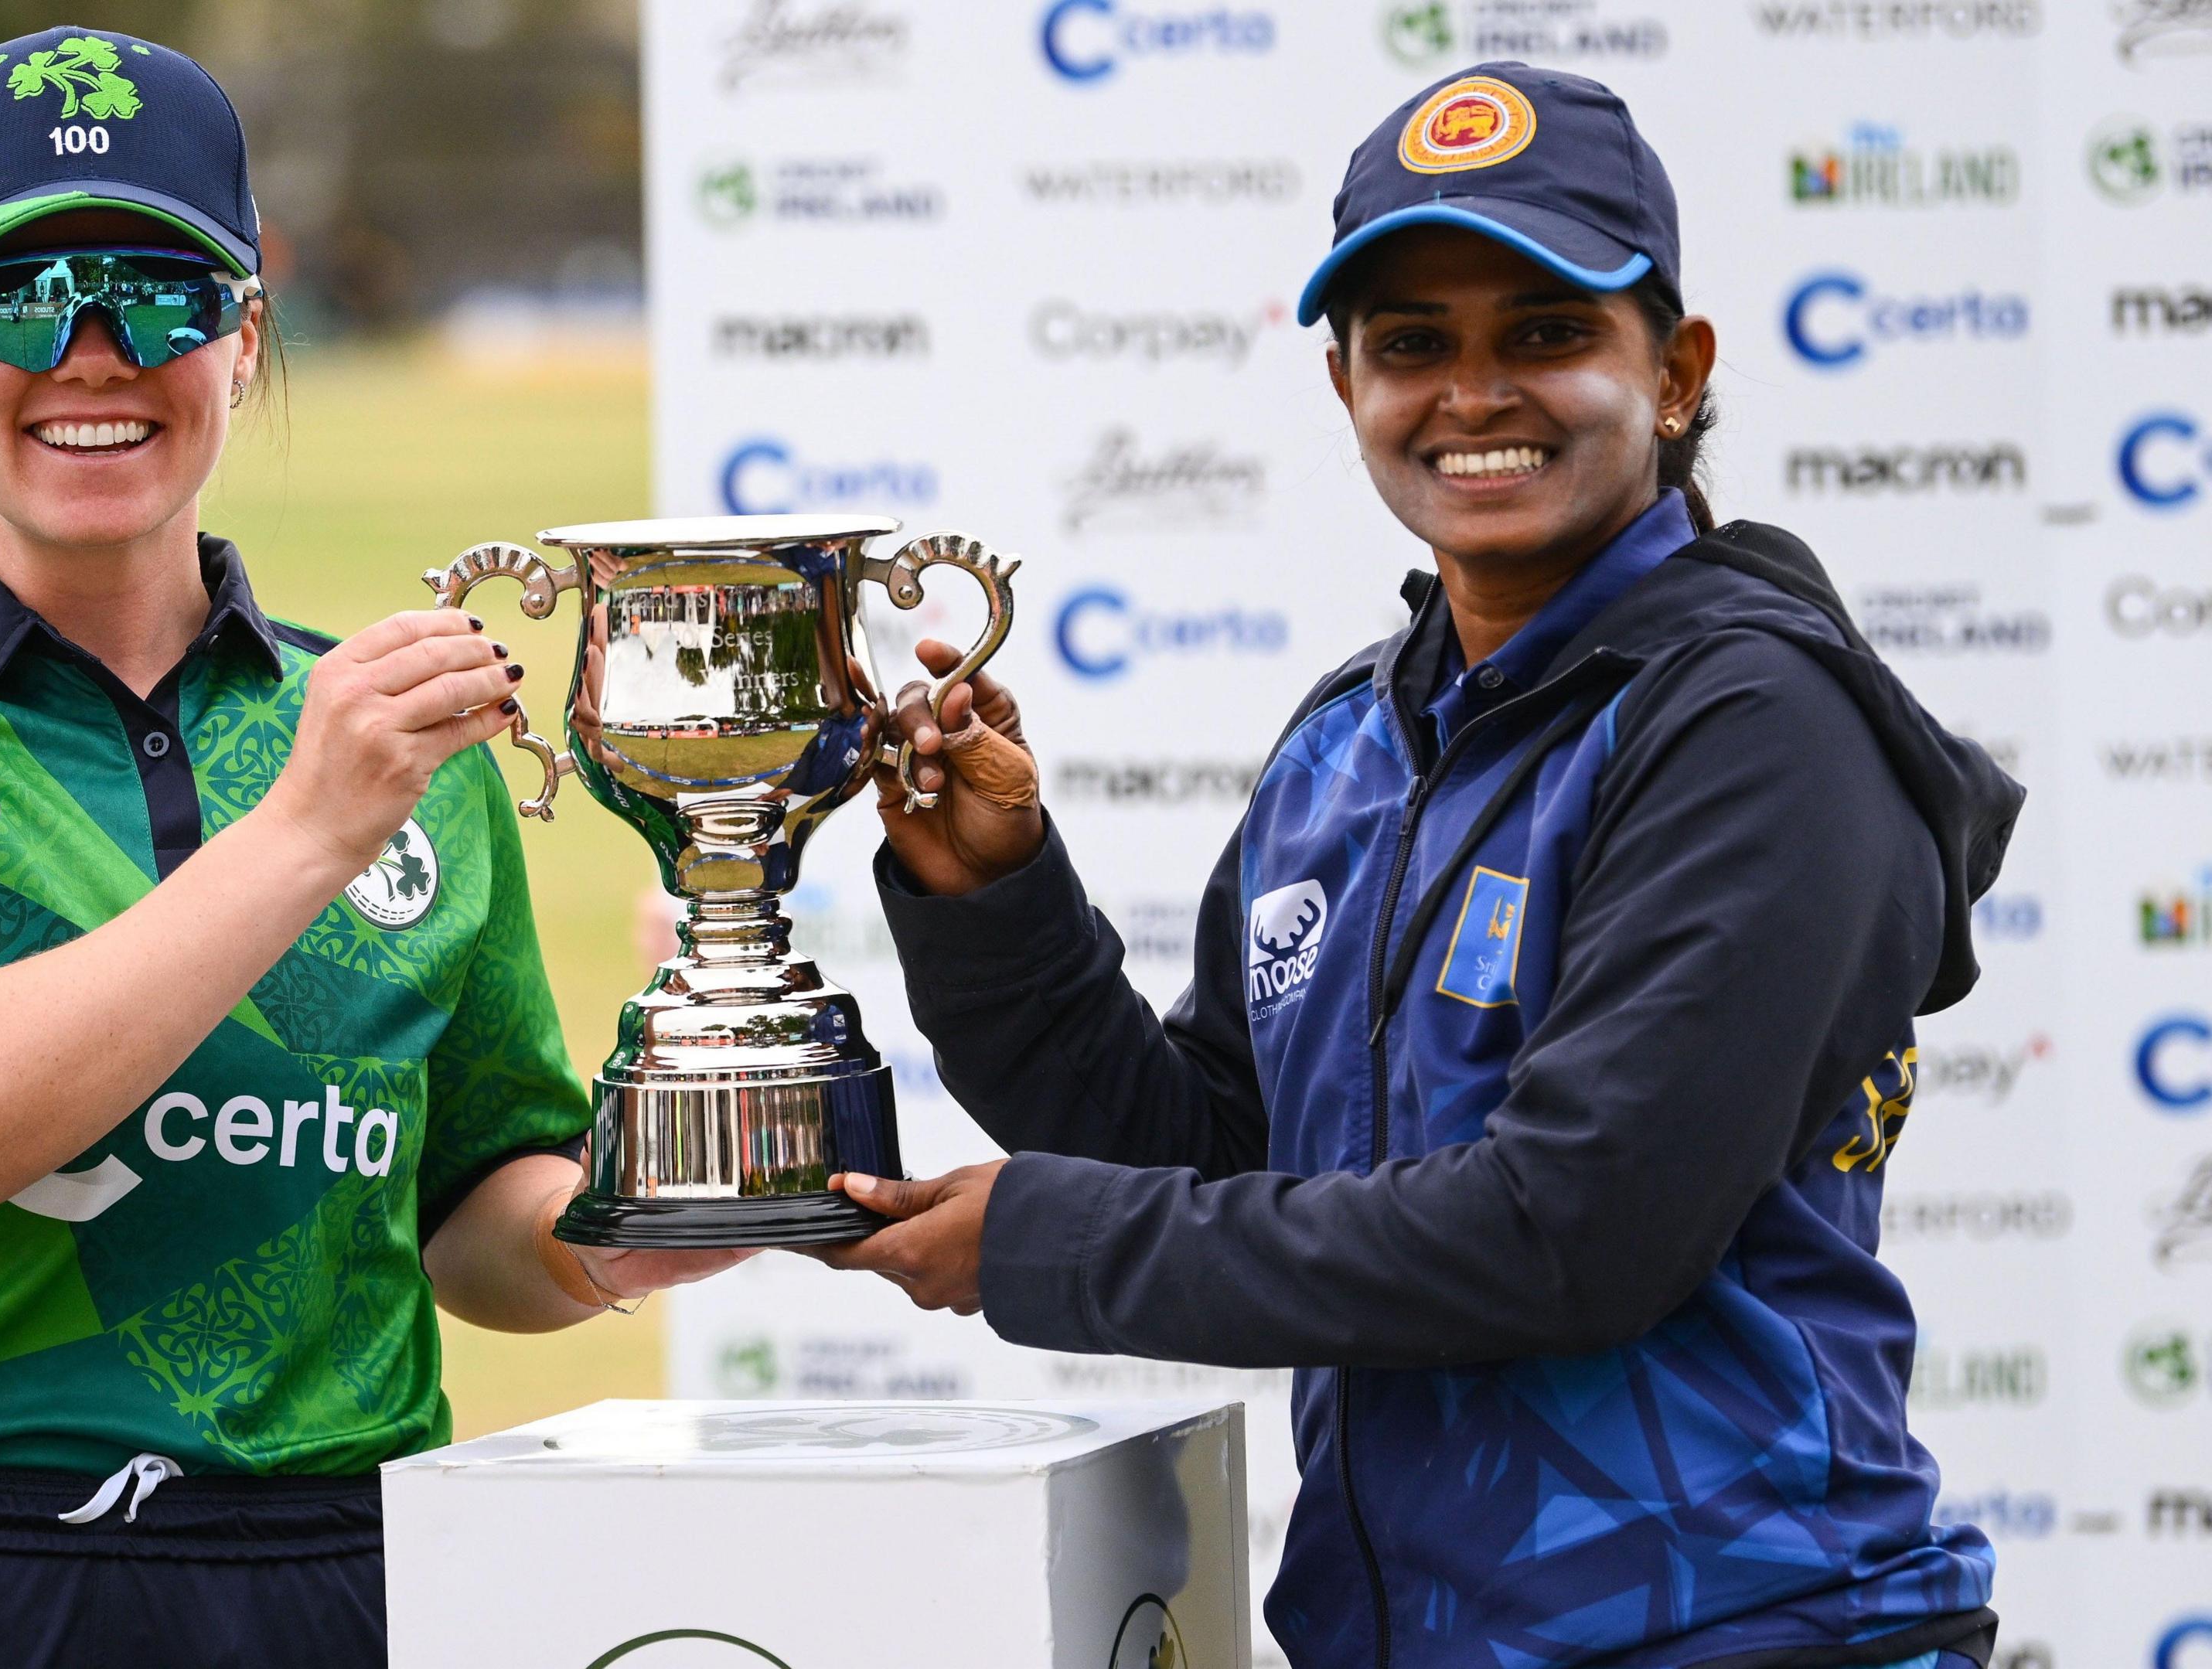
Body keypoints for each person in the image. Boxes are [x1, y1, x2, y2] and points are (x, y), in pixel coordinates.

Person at [823, 62, 2016, 1669]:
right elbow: (1216, 1148)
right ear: (1343, 387)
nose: (1472, 394)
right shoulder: (1351, 739)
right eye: (1412, 346)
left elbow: (1570, 1230)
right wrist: (996, 898)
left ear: (1674, 371)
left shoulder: (1755, 722)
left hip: (1747, 1639)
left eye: (1544, 333)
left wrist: (1038, 1245)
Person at [0, 28, 740, 1668]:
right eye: (18, 294)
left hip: (329, 1570)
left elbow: (470, 1213)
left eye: (158, 289)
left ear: (246, 339)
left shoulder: (385, 743)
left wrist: (652, 1218)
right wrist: (308, 826)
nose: (93, 353)